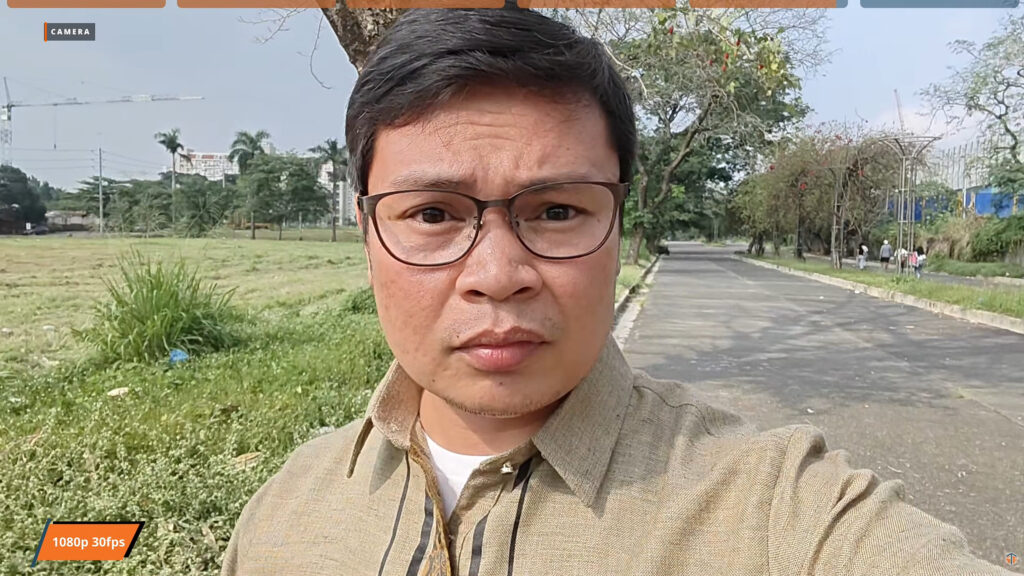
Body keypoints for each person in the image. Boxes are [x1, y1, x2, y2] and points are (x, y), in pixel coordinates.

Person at [220, 8, 1013, 576]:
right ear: (368, 237)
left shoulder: (772, 506)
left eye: (557, 211)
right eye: (432, 214)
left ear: (619, 228)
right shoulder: (286, 508)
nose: (497, 274)